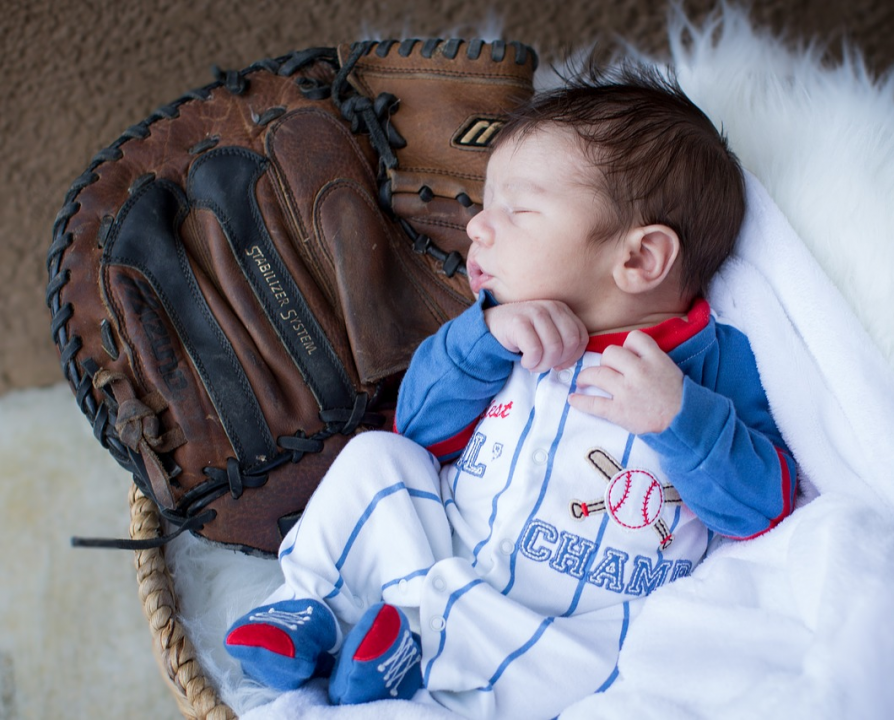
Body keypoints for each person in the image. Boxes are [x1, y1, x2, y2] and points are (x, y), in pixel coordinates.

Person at [223, 62, 798, 719]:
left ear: (638, 260)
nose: (477, 228)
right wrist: (485, 336)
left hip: (564, 620)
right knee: (379, 459)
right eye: (483, 205)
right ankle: (312, 608)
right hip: (444, 546)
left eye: (516, 211)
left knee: (611, 659)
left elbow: (764, 509)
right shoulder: (498, 330)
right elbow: (421, 430)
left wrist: (680, 419)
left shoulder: (712, 365)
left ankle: (407, 662)